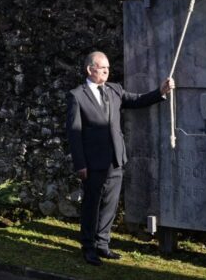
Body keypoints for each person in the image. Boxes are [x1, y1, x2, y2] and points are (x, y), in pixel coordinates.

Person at [66, 51, 174, 266]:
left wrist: (160, 92)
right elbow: (74, 133)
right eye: (102, 68)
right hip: (92, 162)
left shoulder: (114, 90)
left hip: (115, 160)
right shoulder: (77, 96)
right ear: (90, 69)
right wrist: (80, 164)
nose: (107, 71)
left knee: (110, 205)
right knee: (91, 205)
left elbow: (137, 100)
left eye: (108, 68)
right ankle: (88, 247)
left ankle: (103, 245)